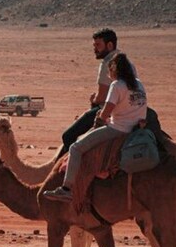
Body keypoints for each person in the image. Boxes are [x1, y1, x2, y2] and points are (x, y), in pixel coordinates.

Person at [43, 53, 147, 202]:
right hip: (136, 130)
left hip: (118, 130)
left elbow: (106, 112)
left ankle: (66, 189)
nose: (108, 74)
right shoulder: (139, 84)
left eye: (109, 70)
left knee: (75, 148)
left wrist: (99, 119)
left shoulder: (117, 85)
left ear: (115, 70)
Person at [56, 28, 135, 159]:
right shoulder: (128, 62)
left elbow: (102, 97)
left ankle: (71, 170)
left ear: (109, 45)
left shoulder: (108, 63)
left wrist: (94, 99)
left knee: (68, 136)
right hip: (130, 108)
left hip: (110, 109)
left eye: (98, 45)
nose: (95, 49)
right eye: (94, 45)